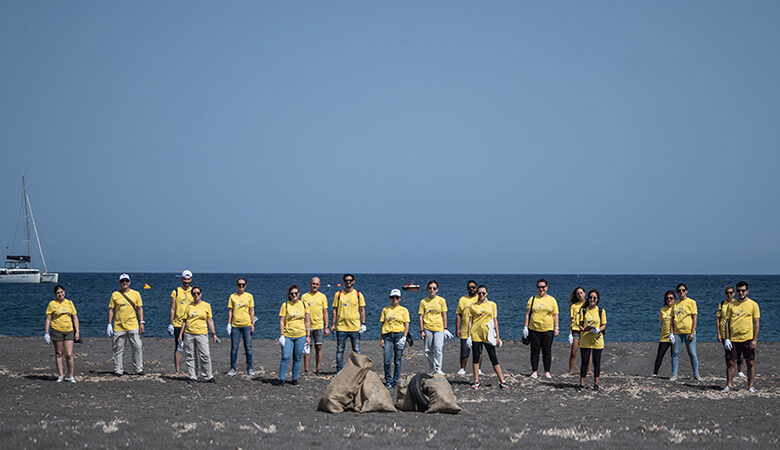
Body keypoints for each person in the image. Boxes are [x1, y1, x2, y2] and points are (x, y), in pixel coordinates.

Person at [466, 285, 508, 389]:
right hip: (476, 335)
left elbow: (495, 320)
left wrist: (498, 336)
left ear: (487, 293)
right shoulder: (473, 306)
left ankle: (502, 381)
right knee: (476, 357)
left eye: (483, 293)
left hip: (488, 335)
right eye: (479, 293)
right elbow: (470, 322)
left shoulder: (492, 304)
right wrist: (468, 336)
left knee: (493, 357)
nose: (481, 295)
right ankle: (476, 381)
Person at [723, 281, 760, 392]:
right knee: (731, 362)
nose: (741, 292)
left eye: (743, 290)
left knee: (750, 362)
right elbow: (727, 322)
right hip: (733, 339)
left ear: (747, 291)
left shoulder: (753, 304)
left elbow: (756, 323)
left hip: (747, 339)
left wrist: (754, 340)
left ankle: (750, 386)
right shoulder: (731, 305)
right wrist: (727, 338)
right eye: (739, 291)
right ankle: (729, 385)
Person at [178, 286, 218, 383]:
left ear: (201, 294)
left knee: (205, 355)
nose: (196, 295)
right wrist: (180, 334)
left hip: (202, 333)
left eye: (198, 293)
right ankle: (193, 376)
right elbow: (184, 321)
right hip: (189, 333)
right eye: (194, 294)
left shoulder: (206, 305)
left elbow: (210, 320)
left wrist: (214, 334)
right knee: (190, 355)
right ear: (191, 295)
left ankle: (208, 376)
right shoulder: (188, 306)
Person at [107, 273, 144, 377]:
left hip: (133, 325)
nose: (124, 283)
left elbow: (140, 309)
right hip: (119, 326)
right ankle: (118, 369)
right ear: (119, 283)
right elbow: (111, 310)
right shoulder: (115, 294)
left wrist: (142, 322)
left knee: (137, 346)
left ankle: (138, 368)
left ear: (129, 282)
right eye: (122, 281)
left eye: (126, 281)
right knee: (118, 348)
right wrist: (109, 324)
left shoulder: (136, 294)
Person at [523, 279, 559, 379]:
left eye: (543, 287)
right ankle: (534, 371)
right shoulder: (532, 299)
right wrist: (525, 327)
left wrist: (556, 328)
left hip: (548, 329)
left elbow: (555, 315)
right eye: (539, 287)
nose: (541, 289)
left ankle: (547, 371)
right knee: (534, 351)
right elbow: (527, 314)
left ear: (547, 287)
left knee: (547, 351)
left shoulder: (552, 300)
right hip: (534, 329)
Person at [44, 285, 80, 383]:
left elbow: (75, 317)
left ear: (64, 292)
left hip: (69, 331)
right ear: (55, 294)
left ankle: (71, 375)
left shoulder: (69, 303)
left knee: (69, 354)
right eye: (58, 293)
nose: (60, 294)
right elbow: (48, 319)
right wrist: (46, 332)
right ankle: (60, 375)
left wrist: (77, 332)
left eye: (61, 292)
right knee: (59, 353)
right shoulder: (52, 304)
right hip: (56, 330)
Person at [330, 274, 366, 373]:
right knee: (340, 350)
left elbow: (362, 309)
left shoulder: (358, 294)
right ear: (343, 282)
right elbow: (334, 310)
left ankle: (357, 370)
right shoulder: (338, 294)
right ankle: (339, 371)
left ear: (353, 281)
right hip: (341, 327)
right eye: (346, 280)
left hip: (355, 327)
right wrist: (333, 324)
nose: (348, 282)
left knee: (357, 350)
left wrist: (363, 324)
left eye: (350, 280)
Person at [278, 285, 311, 384]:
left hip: (301, 335)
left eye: (296, 293)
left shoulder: (304, 305)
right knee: (285, 356)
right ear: (289, 295)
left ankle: (294, 378)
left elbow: (307, 321)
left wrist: (308, 335)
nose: (294, 295)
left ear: (299, 294)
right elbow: (282, 321)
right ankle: (281, 378)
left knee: (297, 357)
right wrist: (282, 335)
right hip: (288, 335)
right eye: (292, 294)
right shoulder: (285, 305)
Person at [418, 280, 452, 375]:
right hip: (427, 327)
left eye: (434, 288)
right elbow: (421, 317)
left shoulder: (441, 300)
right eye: (430, 288)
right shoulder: (423, 302)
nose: (432, 290)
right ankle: (432, 367)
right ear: (427, 289)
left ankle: (438, 368)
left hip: (439, 328)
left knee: (438, 348)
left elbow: (444, 314)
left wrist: (445, 328)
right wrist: (421, 330)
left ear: (437, 290)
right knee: (428, 350)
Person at [670, 283, 701, 382]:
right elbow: (672, 319)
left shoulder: (691, 302)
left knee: (692, 353)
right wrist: (671, 333)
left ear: (686, 291)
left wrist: (692, 332)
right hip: (677, 332)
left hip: (688, 332)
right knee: (675, 353)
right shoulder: (675, 304)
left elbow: (694, 317)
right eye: (679, 291)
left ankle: (696, 374)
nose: (681, 292)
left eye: (683, 290)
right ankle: (674, 374)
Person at [379, 289, 410, 388]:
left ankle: (395, 380)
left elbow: (406, 324)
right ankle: (388, 380)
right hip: (388, 336)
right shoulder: (385, 309)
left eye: (397, 297)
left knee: (398, 360)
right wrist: (382, 338)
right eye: (392, 297)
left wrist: (404, 337)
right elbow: (382, 324)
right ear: (390, 298)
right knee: (387, 360)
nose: (394, 299)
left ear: (400, 298)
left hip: (399, 335)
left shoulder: (404, 310)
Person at [577, 289, 606, 391]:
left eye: (594, 298)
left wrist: (598, 330)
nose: (592, 299)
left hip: (597, 339)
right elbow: (580, 324)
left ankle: (596, 384)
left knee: (596, 362)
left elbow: (603, 325)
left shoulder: (601, 311)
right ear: (588, 298)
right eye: (590, 297)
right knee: (584, 362)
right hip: (585, 339)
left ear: (597, 299)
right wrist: (584, 329)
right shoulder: (583, 310)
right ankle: (581, 384)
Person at [227, 277, 255, 376]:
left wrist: (252, 323)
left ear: (245, 285)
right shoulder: (232, 296)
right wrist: (229, 324)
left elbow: (251, 310)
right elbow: (230, 311)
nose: (241, 286)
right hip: (235, 325)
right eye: (239, 284)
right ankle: (233, 368)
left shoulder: (249, 296)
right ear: (236, 285)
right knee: (234, 348)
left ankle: (250, 368)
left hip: (247, 325)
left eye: (243, 284)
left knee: (248, 347)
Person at [716, 285, 745, 379]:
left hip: (735, 332)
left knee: (739, 353)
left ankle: (740, 370)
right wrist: (719, 334)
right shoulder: (722, 304)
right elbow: (718, 319)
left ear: (734, 293)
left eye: (731, 293)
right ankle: (729, 370)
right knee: (729, 354)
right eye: (727, 293)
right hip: (724, 332)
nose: (729, 295)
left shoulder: (737, 303)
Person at [168, 270, 193, 374]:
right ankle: (177, 370)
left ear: (191, 279)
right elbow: (172, 309)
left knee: (191, 348)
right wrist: (170, 324)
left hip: (190, 324)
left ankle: (191, 369)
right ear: (182, 279)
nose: (186, 281)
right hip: (178, 324)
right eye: (184, 279)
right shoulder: (176, 291)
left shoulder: (194, 292)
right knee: (179, 347)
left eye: (188, 279)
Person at [302, 277, 329, 374]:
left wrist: (326, 326)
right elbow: (302, 312)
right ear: (310, 284)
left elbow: (325, 312)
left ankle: (318, 368)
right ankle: (306, 369)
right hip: (307, 327)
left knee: (319, 348)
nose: (315, 286)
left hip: (319, 326)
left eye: (317, 284)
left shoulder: (322, 296)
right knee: (307, 347)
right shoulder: (304, 297)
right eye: (313, 284)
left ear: (319, 285)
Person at [456, 280, 480, 375]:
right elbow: (458, 315)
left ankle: (478, 369)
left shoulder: (480, 297)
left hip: (478, 329)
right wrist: (457, 329)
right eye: (469, 287)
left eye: (473, 287)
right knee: (464, 351)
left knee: (478, 351)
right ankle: (462, 368)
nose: (471, 289)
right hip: (465, 329)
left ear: (476, 288)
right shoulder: (463, 299)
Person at [652, 291, 676, 377]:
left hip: (675, 336)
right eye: (667, 298)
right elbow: (660, 323)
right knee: (660, 354)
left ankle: (674, 373)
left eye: (671, 298)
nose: (669, 300)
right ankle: (655, 372)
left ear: (674, 299)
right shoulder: (663, 309)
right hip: (664, 336)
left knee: (674, 355)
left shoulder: (676, 308)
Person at [568, 287, 587, 375]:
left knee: (587, 352)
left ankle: (588, 370)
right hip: (576, 329)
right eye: (578, 294)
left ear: (584, 293)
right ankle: (570, 371)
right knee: (574, 351)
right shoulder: (574, 306)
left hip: (586, 330)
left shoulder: (589, 304)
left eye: (581, 293)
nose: (580, 295)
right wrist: (570, 333)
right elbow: (571, 320)